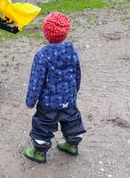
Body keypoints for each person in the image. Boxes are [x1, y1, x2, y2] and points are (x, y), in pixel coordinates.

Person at [23, 12, 86, 164]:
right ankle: (72, 145)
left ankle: (39, 153)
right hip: (68, 100)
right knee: (72, 123)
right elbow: (77, 73)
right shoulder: (71, 50)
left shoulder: (42, 55)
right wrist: (74, 91)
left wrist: (30, 101)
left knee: (42, 127)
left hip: (48, 103)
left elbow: (36, 81)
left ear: (46, 33)